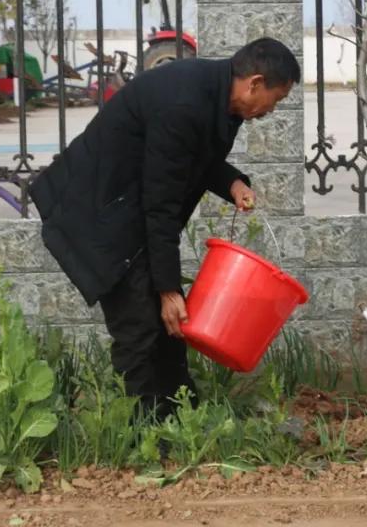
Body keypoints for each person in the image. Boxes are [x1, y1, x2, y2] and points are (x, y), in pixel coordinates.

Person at [29, 37, 300, 419]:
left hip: (127, 204)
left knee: (170, 327)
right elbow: (161, 204)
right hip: (96, 210)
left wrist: (232, 183)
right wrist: (168, 289)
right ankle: (142, 436)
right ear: (255, 82)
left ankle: (180, 418)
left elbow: (193, 155)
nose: (272, 109)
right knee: (140, 325)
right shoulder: (185, 104)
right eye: (277, 98)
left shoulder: (218, 96)